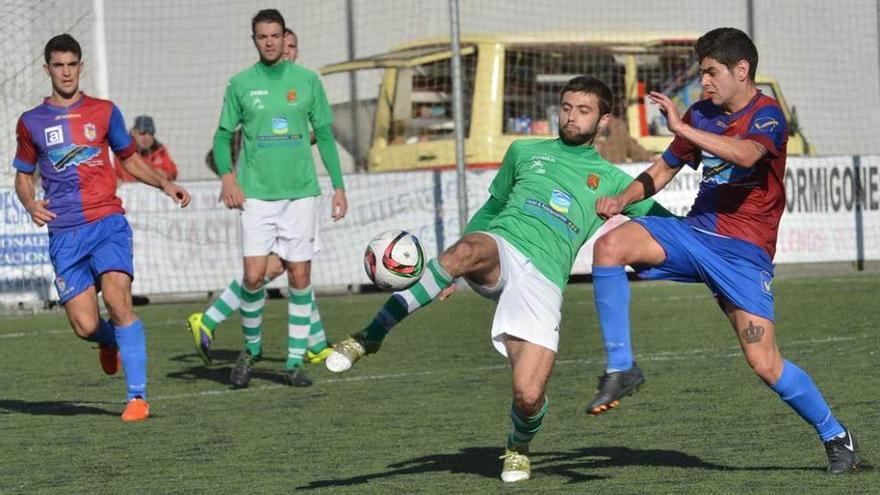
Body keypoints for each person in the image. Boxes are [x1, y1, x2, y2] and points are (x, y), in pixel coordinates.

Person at [325, 76, 670, 483]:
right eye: (566, 107)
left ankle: (518, 446)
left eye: (583, 110)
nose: (571, 116)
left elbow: (668, 227)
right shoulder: (524, 151)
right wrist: (452, 267)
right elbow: (491, 210)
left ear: (603, 120)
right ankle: (369, 336)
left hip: (542, 281)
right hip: (502, 248)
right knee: (466, 251)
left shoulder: (614, 181)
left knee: (528, 396)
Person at [584, 27, 858, 474]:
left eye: (711, 73)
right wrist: (622, 200)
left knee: (765, 362)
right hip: (697, 234)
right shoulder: (700, 114)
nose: (704, 82)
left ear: (741, 70)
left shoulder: (768, 115)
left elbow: (748, 156)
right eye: (702, 74)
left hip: (744, 254)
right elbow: (664, 167)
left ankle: (835, 434)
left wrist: (683, 127)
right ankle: (621, 367)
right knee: (610, 244)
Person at [12, 34, 191, 422]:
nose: (65, 72)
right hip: (64, 233)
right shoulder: (31, 123)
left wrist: (164, 183)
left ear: (80, 66)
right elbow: (23, 175)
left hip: (107, 221)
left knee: (118, 299)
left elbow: (128, 158)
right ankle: (109, 342)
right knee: (85, 324)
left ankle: (137, 397)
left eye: (71, 64)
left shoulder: (104, 111)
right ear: (47, 70)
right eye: (58, 65)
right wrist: (30, 203)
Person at [206, 9, 347, 389]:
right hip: (257, 196)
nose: (269, 42)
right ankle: (251, 351)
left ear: (285, 38)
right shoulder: (240, 84)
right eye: (262, 36)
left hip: (301, 195)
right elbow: (222, 138)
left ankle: (293, 362)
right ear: (254, 40)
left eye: (275, 35)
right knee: (254, 277)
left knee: (300, 277)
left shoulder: (308, 82)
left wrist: (338, 186)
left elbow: (326, 136)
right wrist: (228, 177)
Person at [116, 115, 179, 182]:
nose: (147, 137)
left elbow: (173, 172)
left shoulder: (159, 150)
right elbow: (126, 176)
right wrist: (154, 175)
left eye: (150, 133)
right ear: (133, 133)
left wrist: (167, 174)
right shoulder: (123, 150)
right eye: (142, 133)